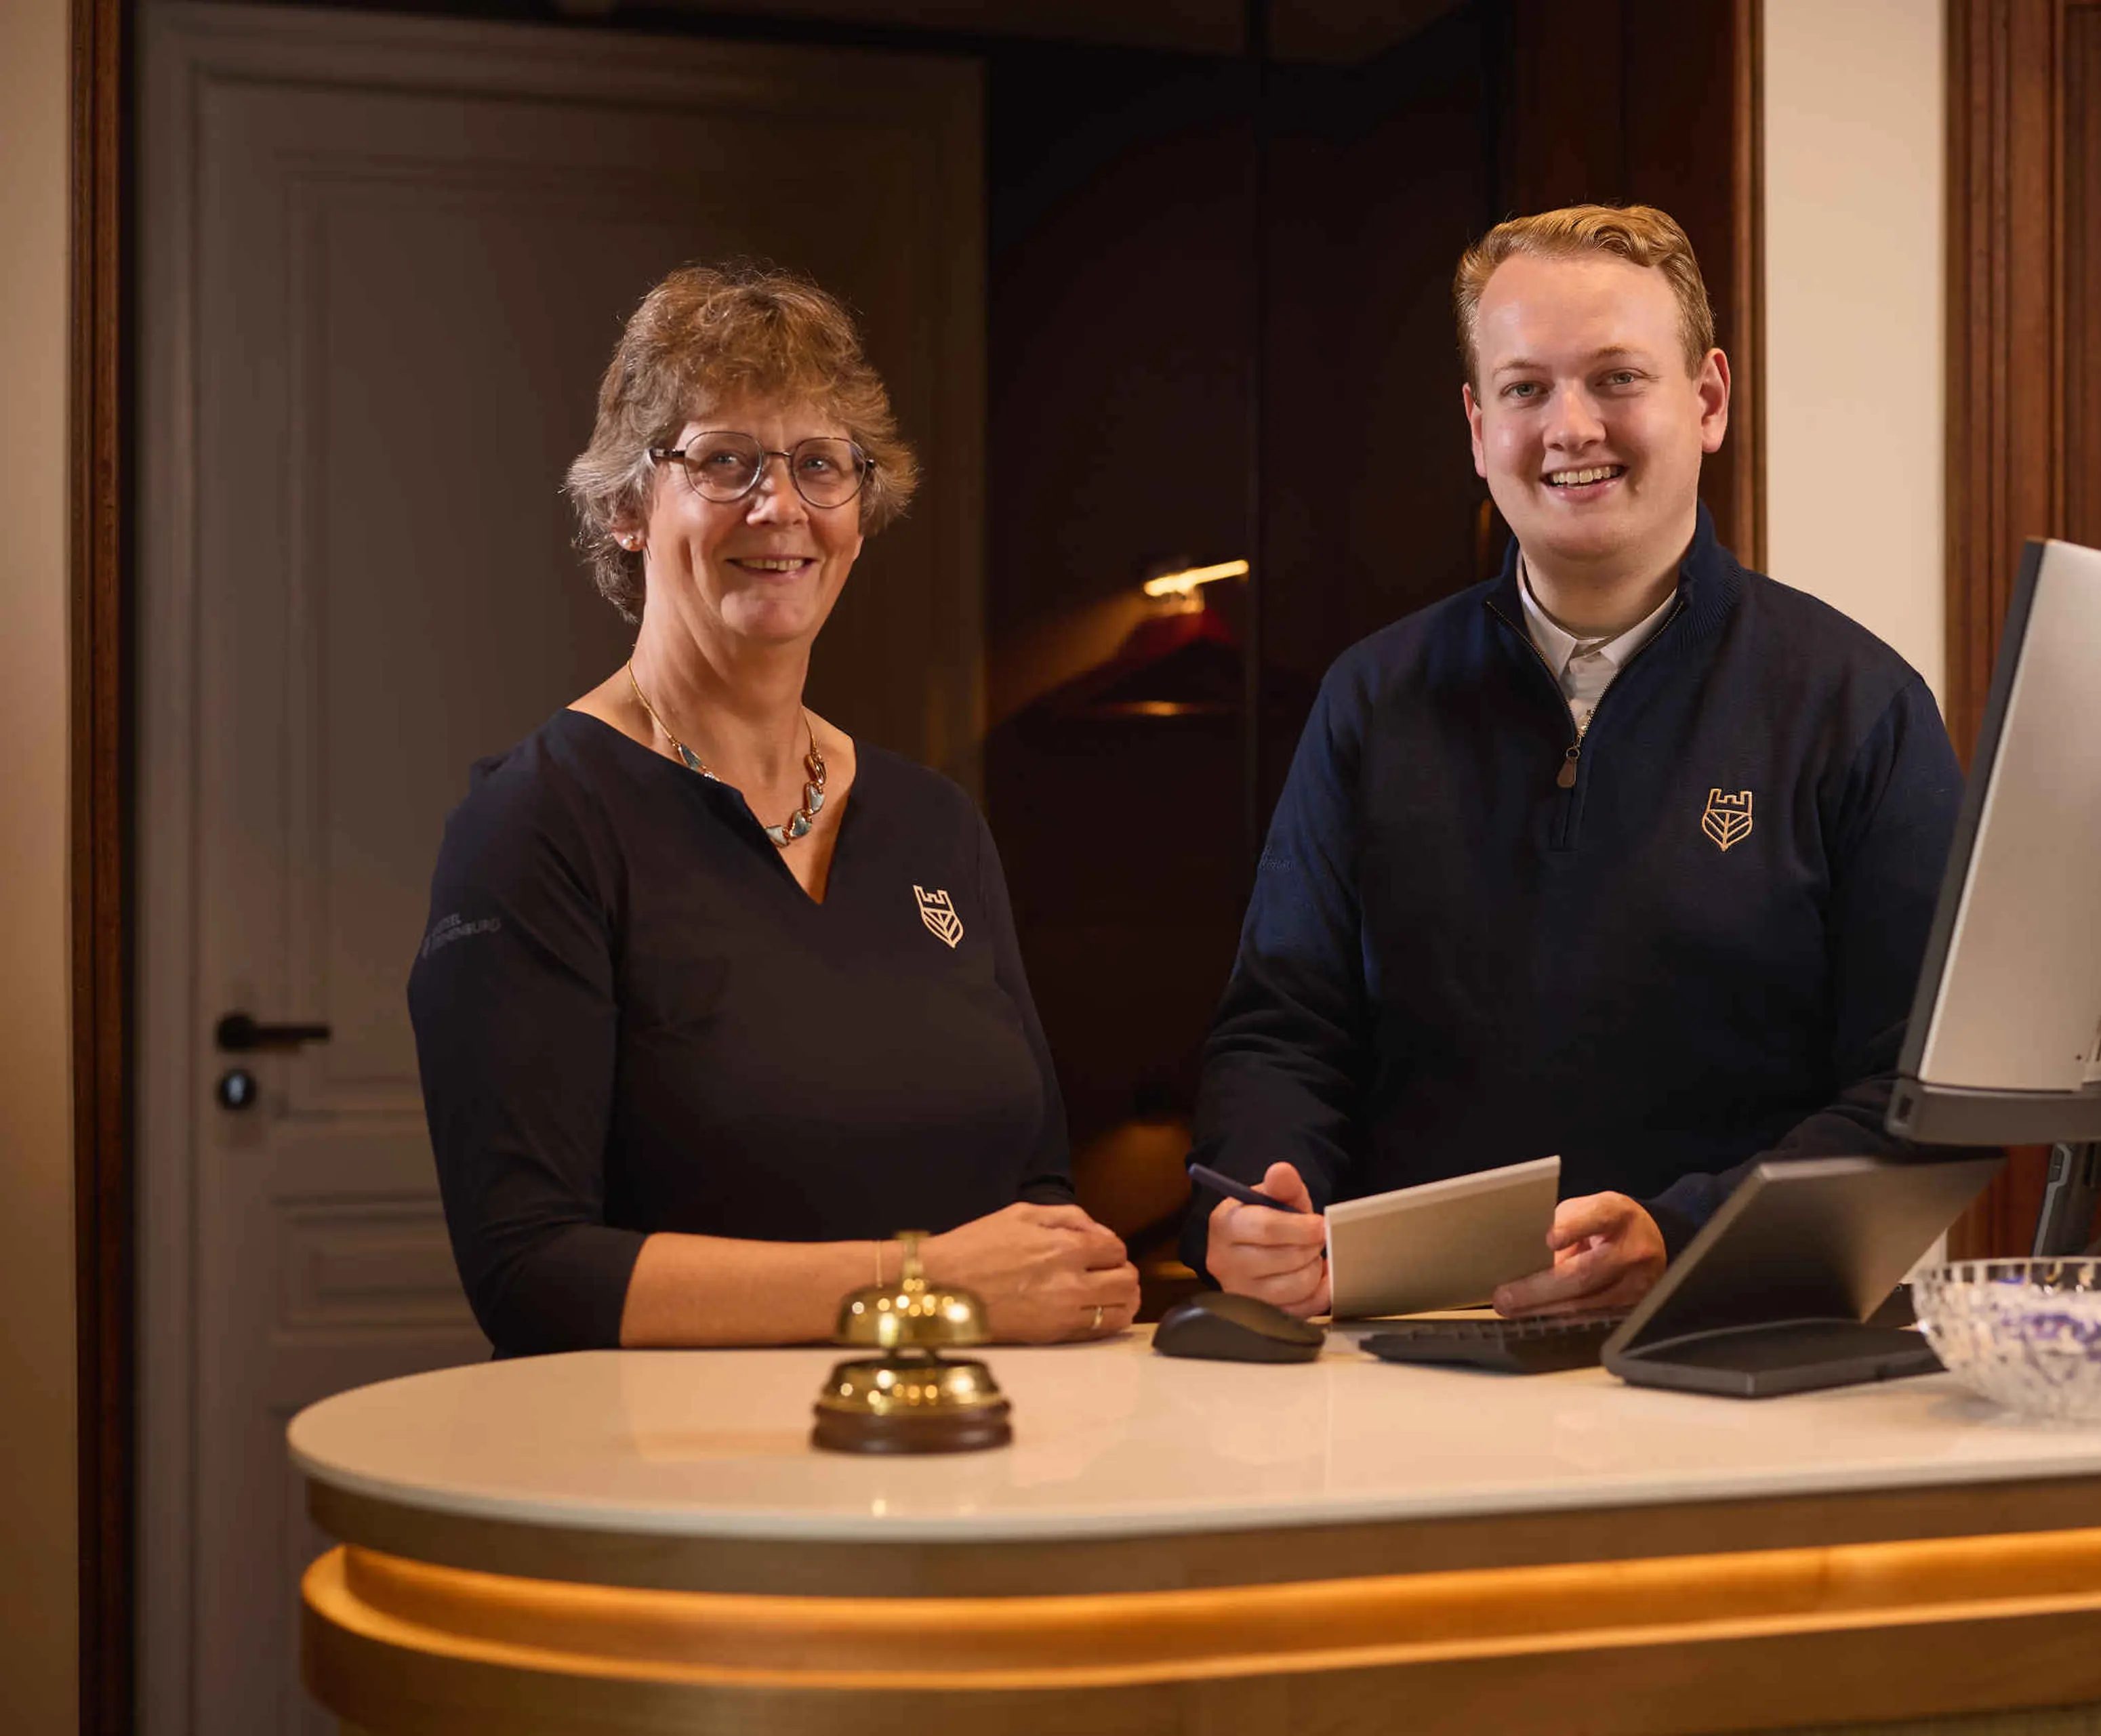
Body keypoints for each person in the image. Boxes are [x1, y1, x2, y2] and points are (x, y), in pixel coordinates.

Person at [1189, 205, 1962, 1319]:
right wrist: (1260, 1199)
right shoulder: (1372, 698)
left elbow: (1920, 1094)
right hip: (1416, 1352)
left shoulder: (1859, 705)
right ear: (1477, 427)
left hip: (1742, 1347)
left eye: (1616, 378)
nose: (1571, 427)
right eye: (1525, 388)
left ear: (1709, 400)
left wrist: (1683, 1237)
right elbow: (1282, 1028)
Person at [409, 263, 1137, 1356]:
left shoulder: (935, 824)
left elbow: (1034, 1195)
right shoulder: (535, 826)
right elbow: (532, 1272)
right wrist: (924, 1284)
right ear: (625, 508)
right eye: (725, 460)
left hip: (967, 1436)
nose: (781, 505)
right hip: (684, 1457)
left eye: (819, 464)